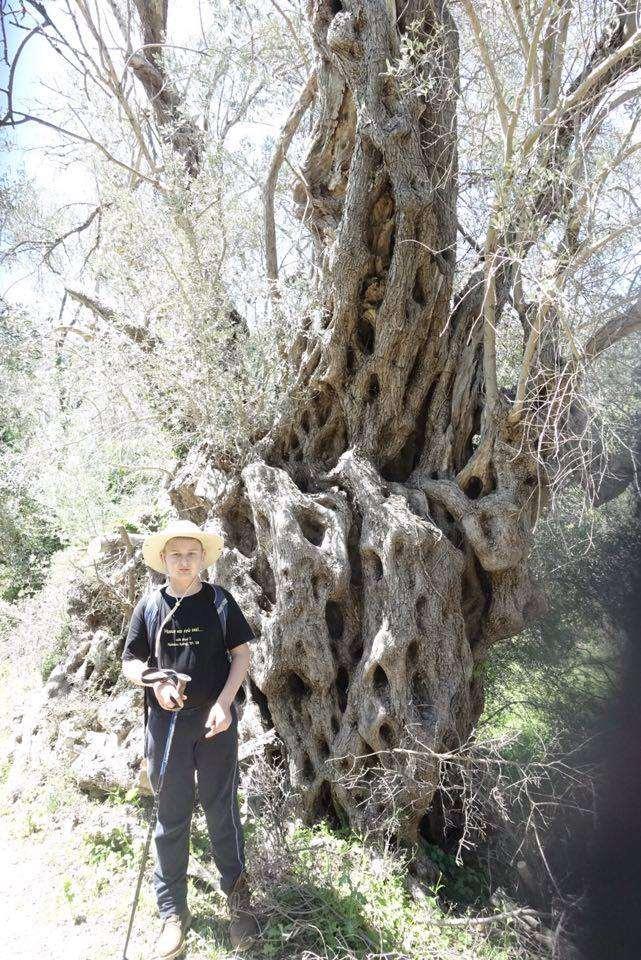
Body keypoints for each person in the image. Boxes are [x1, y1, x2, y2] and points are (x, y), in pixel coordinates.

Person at [122, 519, 260, 959]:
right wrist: (153, 682)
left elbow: (241, 654)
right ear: (163, 560)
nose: (184, 562)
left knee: (223, 811)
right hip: (166, 730)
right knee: (171, 816)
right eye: (176, 555)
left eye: (192, 554)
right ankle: (172, 914)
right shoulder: (149, 606)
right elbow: (130, 660)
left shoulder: (220, 602)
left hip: (216, 724)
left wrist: (225, 702)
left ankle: (238, 902)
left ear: (203, 558)